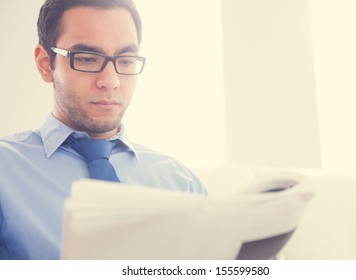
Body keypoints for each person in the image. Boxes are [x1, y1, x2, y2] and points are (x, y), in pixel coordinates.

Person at [0, 0, 207, 260]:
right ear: (45, 64)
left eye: (126, 60)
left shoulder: (181, 183)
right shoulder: (5, 171)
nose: (111, 82)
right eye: (87, 59)